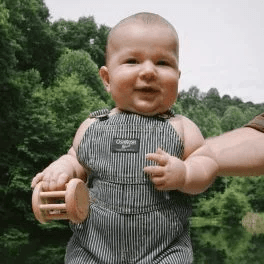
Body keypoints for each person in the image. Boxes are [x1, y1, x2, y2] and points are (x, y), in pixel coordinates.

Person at [31, 12, 218, 264]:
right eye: (132, 61)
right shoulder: (92, 126)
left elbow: (207, 163)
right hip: (93, 247)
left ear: (178, 77)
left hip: (164, 248)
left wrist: (185, 173)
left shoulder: (181, 127)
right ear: (107, 79)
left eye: (163, 63)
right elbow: (76, 159)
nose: (149, 71)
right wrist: (62, 168)